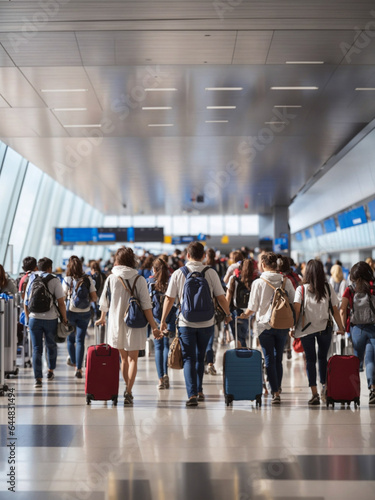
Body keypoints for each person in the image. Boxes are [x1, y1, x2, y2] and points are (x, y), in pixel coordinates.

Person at [160, 241, 232, 406]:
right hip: (207, 321)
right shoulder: (211, 272)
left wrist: (163, 320)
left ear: (187, 255)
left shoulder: (179, 273)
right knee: (201, 356)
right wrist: (227, 314)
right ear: (204, 256)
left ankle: (192, 395)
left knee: (188, 358)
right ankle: (199, 390)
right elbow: (221, 297)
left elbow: (170, 299)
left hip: (186, 322)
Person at [96, 247, 161, 406]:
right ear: (132, 260)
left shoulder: (111, 278)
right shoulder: (139, 279)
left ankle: (126, 387)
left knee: (123, 359)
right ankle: (129, 391)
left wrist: (102, 318)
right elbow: (146, 306)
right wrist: (154, 326)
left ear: (117, 260)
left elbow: (104, 302)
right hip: (135, 323)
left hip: (116, 323)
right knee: (133, 359)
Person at [240, 252, 296, 405]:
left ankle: (275, 392)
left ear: (263, 265)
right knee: (279, 358)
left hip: (264, 325)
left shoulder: (258, 282)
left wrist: (244, 315)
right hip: (283, 323)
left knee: (269, 358)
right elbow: (293, 301)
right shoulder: (286, 281)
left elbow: (252, 307)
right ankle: (277, 386)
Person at [292, 259, 344, 406]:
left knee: (310, 359)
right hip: (325, 328)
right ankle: (324, 389)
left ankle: (314, 393)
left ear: (307, 272)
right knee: (323, 358)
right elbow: (334, 309)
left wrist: (292, 328)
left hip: (306, 330)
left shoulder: (301, 289)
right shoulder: (327, 288)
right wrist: (340, 327)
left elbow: (296, 311)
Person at [24, 257, 68, 388]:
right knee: (51, 345)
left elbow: (26, 302)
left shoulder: (31, 279)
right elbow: (61, 303)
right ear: (50, 268)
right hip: (50, 319)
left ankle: (38, 378)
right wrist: (65, 319)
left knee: (37, 349)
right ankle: (50, 370)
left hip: (33, 318)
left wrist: (28, 319)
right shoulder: (54, 280)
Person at [340, 261, 375, 404]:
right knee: (371, 361)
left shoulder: (350, 289)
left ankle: (353, 393)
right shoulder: (373, 288)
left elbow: (342, 310)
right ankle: (372, 390)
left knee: (355, 362)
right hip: (373, 329)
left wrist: (343, 328)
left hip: (357, 330)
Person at [62, 256, 97, 379]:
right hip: (85, 312)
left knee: (71, 339)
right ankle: (79, 369)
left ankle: (74, 361)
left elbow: (63, 296)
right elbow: (94, 298)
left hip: (71, 312)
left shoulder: (67, 279)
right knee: (80, 340)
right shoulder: (88, 279)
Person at [147, 257, 176, 390]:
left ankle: (160, 379)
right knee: (167, 346)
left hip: (156, 318)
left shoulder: (150, 282)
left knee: (158, 347)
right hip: (170, 317)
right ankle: (166, 374)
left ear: (154, 269)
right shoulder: (171, 281)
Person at [226, 259, 256, 348]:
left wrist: (226, 313)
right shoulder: (255, 280)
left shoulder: (234, 279)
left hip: (235, 310)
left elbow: (228, 297)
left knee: (238, 338)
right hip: (249, 311)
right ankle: (245, 355)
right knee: (243, 336)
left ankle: (241, 356)